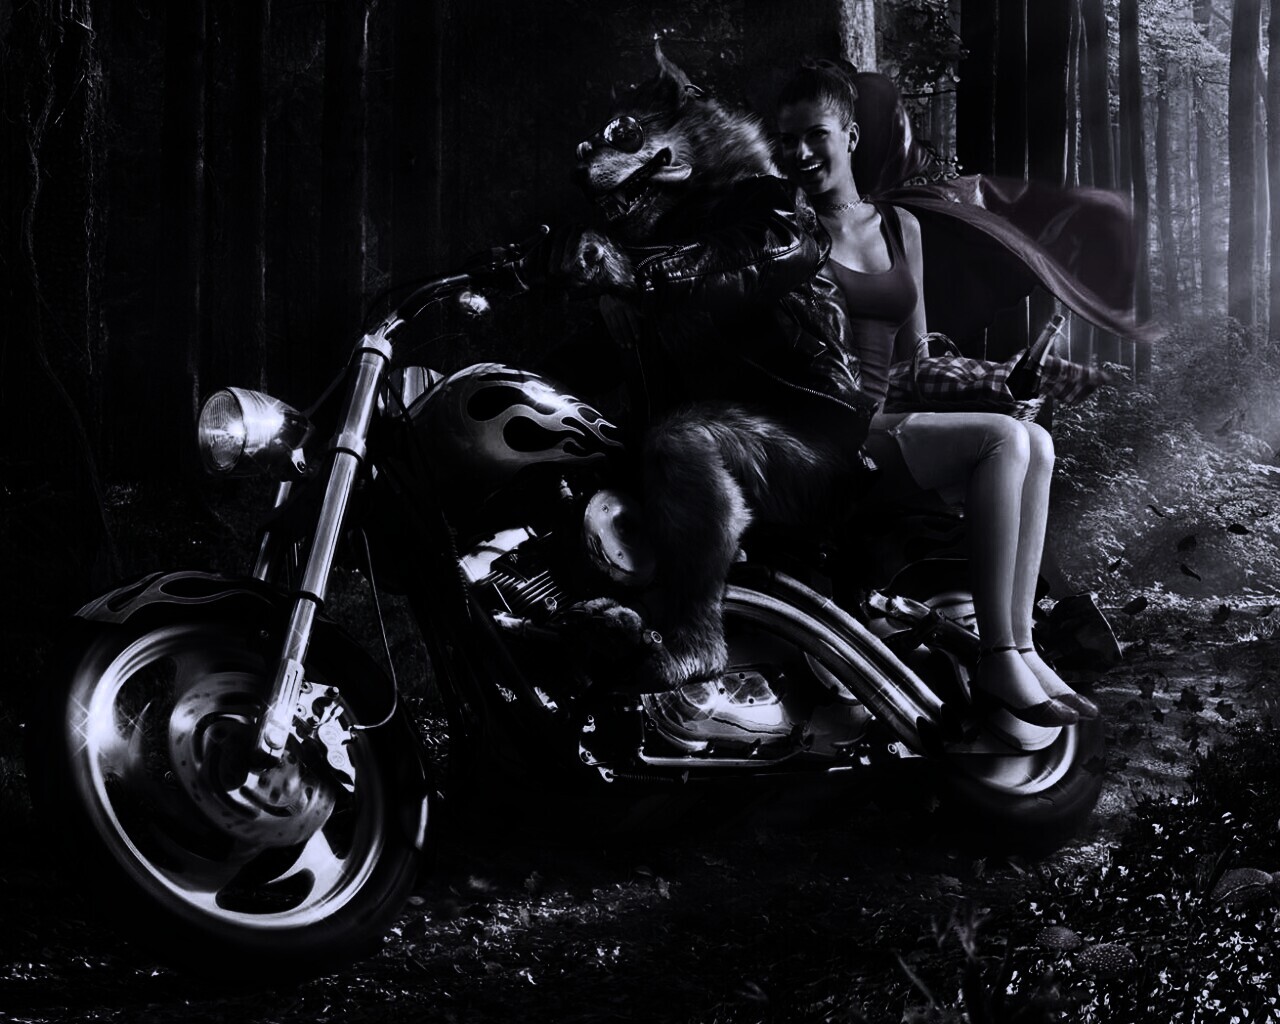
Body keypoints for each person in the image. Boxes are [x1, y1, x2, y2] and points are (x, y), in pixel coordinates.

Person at [774, 62, 1099, 728]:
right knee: (1002, 438)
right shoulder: (786, 237)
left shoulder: (902, 229)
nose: (800, 152)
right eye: (787, 140)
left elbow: (917, 366)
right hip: (829, 435)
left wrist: (1005, 376)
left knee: (1035, 440)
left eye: (815, 135)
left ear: (850, 136)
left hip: (891, 422)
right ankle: (999, 655)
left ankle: (1022, 647)